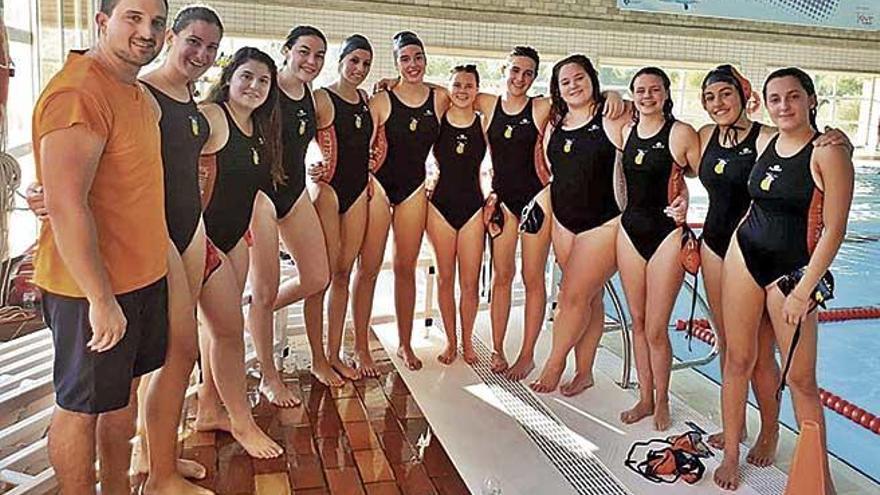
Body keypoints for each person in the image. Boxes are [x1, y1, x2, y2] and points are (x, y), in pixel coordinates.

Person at [31, 1, 169, 492]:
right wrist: (101, 299)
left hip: (142, 278)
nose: (145, 32)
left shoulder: (133, 91)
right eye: (133, 17)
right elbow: (67, 207)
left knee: (119, 401)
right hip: (92, 289)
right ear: (102, 21)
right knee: (79, 409)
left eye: (156, 22)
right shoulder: (79, 92)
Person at [714, 68, 853, 492]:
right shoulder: (765, 140)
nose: (784, 106)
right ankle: (732, 453)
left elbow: (835, 229)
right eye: (775, 99)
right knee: (738, 360)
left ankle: (820, 481)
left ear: (811, 99)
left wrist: (805, 290)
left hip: (791, 273)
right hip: (744, 254)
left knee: (801, 379)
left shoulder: (828, 152)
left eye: (793, 97)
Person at [529, 55, 645, 396]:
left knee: (571, 296)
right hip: (564, 222)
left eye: (579, 78)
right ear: (558, 89)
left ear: (592, 79)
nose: (574, 86)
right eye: (566, 82)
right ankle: (585, 372)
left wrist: (617, 96)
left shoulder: (612, 115)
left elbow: (651, 125)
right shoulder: (555, 123)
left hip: (604, 223)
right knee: (589, 299)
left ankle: (555, 363)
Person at [196, 46, 284, 459]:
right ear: (229, 77)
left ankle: (209, 409)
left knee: (218, 331)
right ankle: (242, 421)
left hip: (235, 238)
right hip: (204, 241)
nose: (254, 86)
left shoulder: (258, 128)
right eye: (246, 76)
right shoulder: (213, 117)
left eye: (263, 80)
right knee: (228, 333)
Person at [247, 25, 333, 397]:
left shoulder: (309, 94)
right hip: (259, 197)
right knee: (264, 291)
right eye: (304, 52)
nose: (311, 61)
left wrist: (320, 165)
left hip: (295, 192)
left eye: (318, 56)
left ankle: (252, 313)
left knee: (318, 277)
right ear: (286, 50)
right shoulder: (266, 89)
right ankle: (268, 376)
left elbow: (313, 139)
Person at [615, 67, 701, 431]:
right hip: (629, 230)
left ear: (666, 93)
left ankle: (663, 398)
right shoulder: (625, 130)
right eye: (640, 90)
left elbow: (703, 173)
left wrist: (685, 198)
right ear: (632, 94)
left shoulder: (680, 133)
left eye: (654, 89)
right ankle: (645, 397)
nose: (647, 96)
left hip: (667, 233)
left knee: (655, 327)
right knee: (637, 321)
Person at [358, 31, 449, 371]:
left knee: (405, 268)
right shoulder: (382, 101)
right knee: (367, 269)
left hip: (413, 188)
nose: (413, 64)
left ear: (425, 59)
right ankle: (361, 349)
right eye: (405, 59)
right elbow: (359, 146)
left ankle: (405, 344)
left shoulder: (439, 99)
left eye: (418, 57)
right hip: (380, 187)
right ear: (396, 63)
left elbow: (474, 96)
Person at [306, 35, 374, 378]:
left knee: (344, 274)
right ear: (341, 60)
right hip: (329, 191)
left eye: (365, 63)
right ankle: (318, 359)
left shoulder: (366, 99)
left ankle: (334, 354)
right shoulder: (321, 97)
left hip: (358, 190)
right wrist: (310, 166)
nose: (359, 69)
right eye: (354, 61)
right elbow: (297, 139)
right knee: (322, 276)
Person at [426, 64, 488, 365]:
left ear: (477, 89)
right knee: (445, 278)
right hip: (439, 206)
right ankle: (451, 342)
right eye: (457, 85)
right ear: (449, 89)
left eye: (468, 85)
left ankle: (468, 341)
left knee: (469, 282)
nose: (462, 90)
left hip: (474, 207)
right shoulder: (438, 120)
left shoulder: (484, 123)